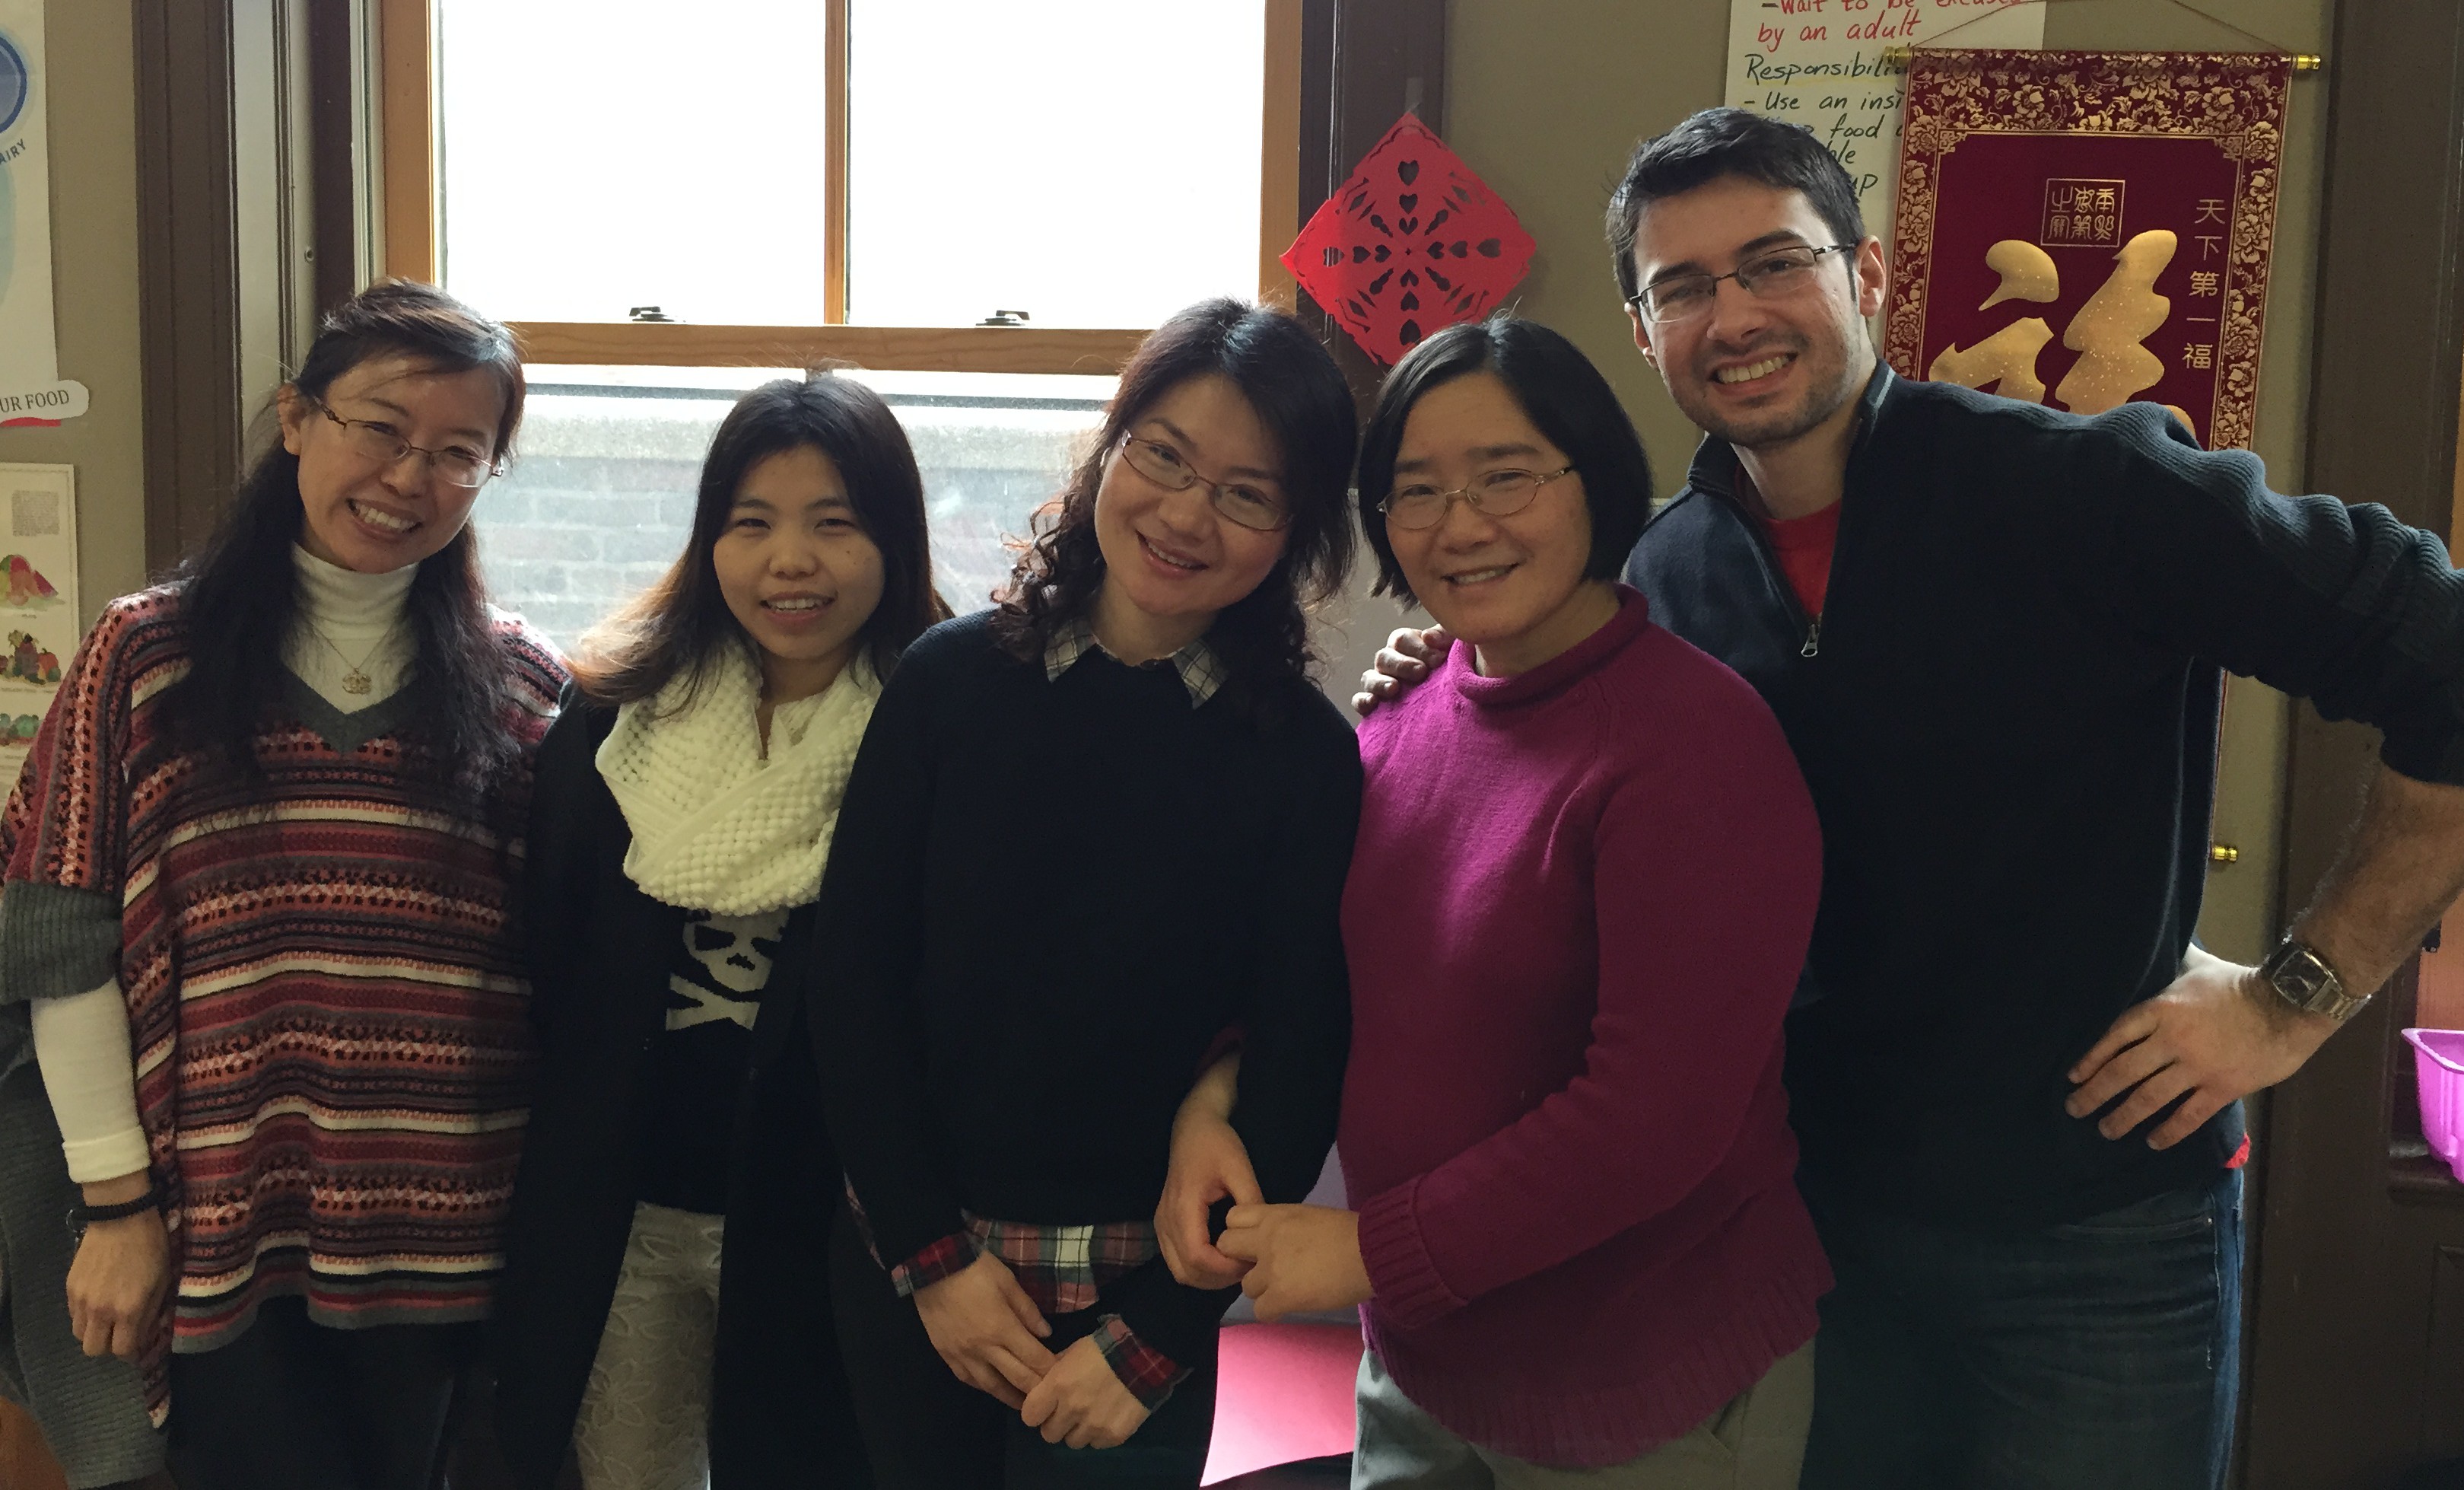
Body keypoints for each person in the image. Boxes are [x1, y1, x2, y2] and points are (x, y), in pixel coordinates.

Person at [1354, 108, 2464, 1489]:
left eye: (1775, 262)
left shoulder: (2087, 490)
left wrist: (2296, 997)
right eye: (1682, 287)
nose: (1734, 316)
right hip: (1817, 1232)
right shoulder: (1664, 571)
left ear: (1867, 273)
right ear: (1643, 332)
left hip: (2097, 1235)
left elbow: (2442, 653)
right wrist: (1444, 659)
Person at [1170, 317, 1829, 1488]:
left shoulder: (1697, 745)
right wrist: (1215, 1095)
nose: (1461, 524)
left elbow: (1652, 1117)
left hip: (1642, 1381)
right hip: (1423, 1356)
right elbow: (1319, 968)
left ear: (1596, 479)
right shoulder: (1401, 715)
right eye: (1417, 490)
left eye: (1507, 475)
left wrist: (1370, 1250)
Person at [0, 280, 565, 1490]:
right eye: (380, 428)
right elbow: (59, 941)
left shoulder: (526, 686)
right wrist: (114, 1206)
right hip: (214, 1233)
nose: (409, 477)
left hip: (449, 1245)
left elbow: (559, 976)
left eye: (458, 452)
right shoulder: (143, 656)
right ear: (296, 417)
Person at [811, 298, 1361, 1488]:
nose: (1185, 514)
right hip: (918, 1267)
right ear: (1108, 449)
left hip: (1145, 1298)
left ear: (1299, 530)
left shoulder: (1307, 758)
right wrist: (932, 1259)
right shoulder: (947, 684)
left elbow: (1299, 1053)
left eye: (1247, 493)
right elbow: (851, 985)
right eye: (1163, 456)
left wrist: (1160, 1333)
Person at [494, 373, 945, 1488]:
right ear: (709, 541)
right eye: (752, 523)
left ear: (893, 540)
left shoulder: (939, 734)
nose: (790, 562)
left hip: (831, 1226)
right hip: (628, 1206)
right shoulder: (616, 718)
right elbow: (551, 957)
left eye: (833, 524)